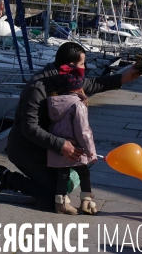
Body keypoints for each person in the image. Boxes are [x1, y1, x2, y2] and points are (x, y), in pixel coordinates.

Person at [0, 41, 141, 210]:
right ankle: (7, 178)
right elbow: (29, 127)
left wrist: (123, 77)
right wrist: (61, 145)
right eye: (82, 64)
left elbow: (94, 84)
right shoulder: (37, 87)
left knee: (65, 186)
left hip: (46, 150)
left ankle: (44, 182)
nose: (85, 67)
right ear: (71, 65)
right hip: (26, 151)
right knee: (55, 197)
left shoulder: (68, 79)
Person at [47, 64, 98, 215]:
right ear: (78, 88)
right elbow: (83, 132)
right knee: (84, 173)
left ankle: (61, 203)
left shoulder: (53, 102)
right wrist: (90, 152)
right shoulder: (77, 105)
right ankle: (86, 201)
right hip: (75, 148)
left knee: (62, 175)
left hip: (58, 148)